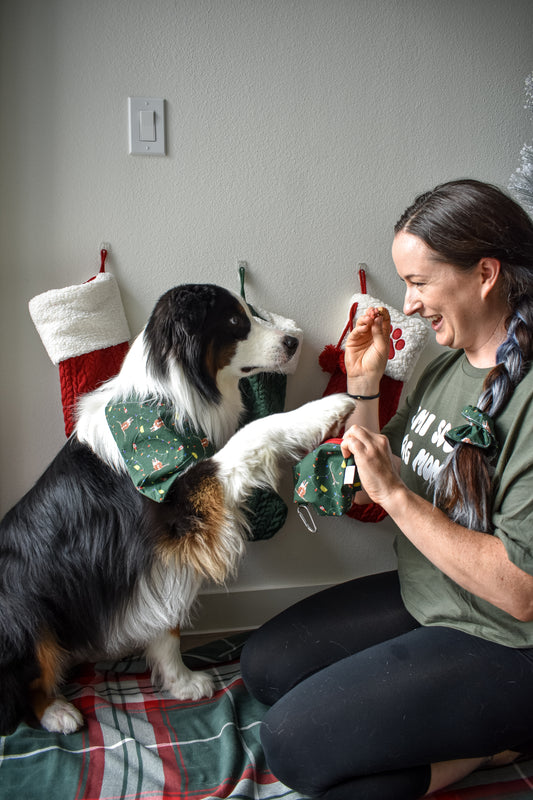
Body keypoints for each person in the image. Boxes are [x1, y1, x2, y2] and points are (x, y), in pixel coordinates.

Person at [240, 179, 533, 799]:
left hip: (510, 640)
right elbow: (370, 484)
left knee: (294, 745)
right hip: (430, 592)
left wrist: (399, 497)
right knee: (265, 667)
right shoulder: (450, 368)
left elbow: (521, 591)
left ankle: (490, 747)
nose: (409, 304)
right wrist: (364, 386)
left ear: (485, 273)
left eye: (420, 283)